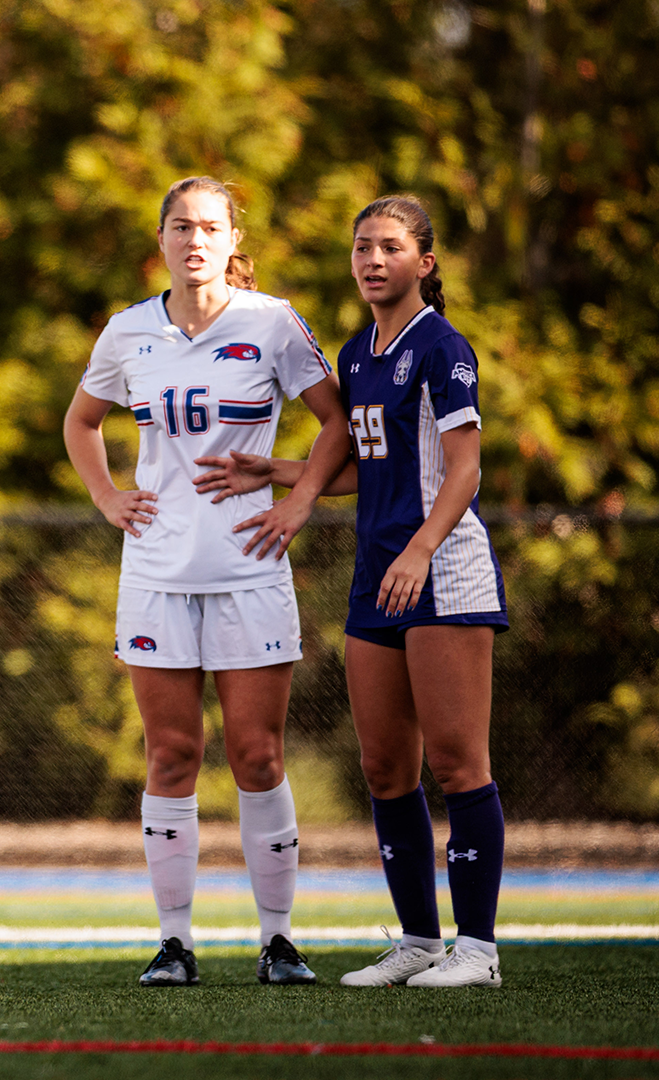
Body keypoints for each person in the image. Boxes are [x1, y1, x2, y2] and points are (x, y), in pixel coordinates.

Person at [196, 195, 508, 988]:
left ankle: (478, 948)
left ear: (424, 264)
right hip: (378, 577)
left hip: (441, 571)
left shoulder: (443, 348)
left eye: (391, 247)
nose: (373, 260)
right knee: (384, 768)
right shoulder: (358, 352)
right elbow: (364, 471)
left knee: (458, 763)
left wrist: (420, 549)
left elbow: (464, 469)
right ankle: (417, 940)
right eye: (363, 247)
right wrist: (278, 471)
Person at [63, 176, 347, 987]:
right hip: (155, 570)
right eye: (181, 227)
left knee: (257, 755)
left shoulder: (273, 321)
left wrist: (296, 501)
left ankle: (279, 939)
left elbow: (338, 422)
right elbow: (80, 421)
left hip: (250, 566)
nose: (195, 240)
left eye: (210, 227)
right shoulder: (128, 333)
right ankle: (176, 942)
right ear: (161, 240)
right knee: (173, 756)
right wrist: (108, 496)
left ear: (231, 240)